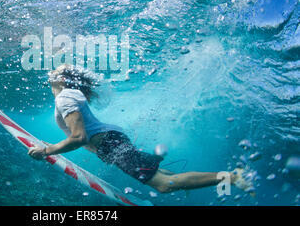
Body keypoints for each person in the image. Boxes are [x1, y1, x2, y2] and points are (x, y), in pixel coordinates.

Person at [28, 64, 253, 194]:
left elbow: (79, 137)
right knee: (163, 175)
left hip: (110, 143)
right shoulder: (67, 97)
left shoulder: (65, 98)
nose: (51, 73)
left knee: (163, 185)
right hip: (110, 143)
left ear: (64, 79)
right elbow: (81, 137)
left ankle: (231, 178)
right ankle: (225, 178)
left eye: (56, 70)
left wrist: (48, 151)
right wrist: (54, 148)